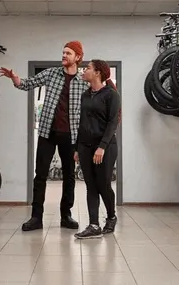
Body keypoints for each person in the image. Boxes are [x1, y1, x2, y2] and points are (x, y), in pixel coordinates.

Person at [0, 41, 89, 232]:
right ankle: (36, 217)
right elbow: (28, 83)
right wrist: (15, 78)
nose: (64, 55)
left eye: (68, 53)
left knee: (69, 176)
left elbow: (89, 109)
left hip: (71, 136)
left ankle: (66, 216)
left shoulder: (83, 82)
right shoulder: (51, 73)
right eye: (63, 52)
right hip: (47, 132)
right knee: (40, 175)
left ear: (78, 57)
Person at [73, 59, 121, 239]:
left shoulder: (111, 95)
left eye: (88, 68)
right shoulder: (85, 95)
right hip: (85, 146)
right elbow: (82, 123)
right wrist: (78, 148)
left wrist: (102, 147)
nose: (84, 71)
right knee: (90, 186)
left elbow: (112, 123)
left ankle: (111, 216)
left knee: (103, 185)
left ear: (98, 73)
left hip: (105, 147)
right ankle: (94, 225)